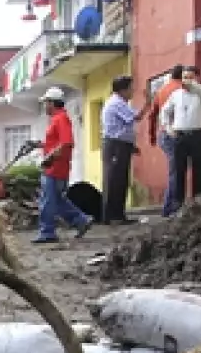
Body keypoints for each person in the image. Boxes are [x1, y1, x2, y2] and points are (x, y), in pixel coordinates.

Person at [34, 86, 92, 244]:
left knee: (48, 201)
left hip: (55, 168)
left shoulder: (60, 119)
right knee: (57, 201)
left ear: (52, 103)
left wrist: (49, 157)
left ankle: (47, 232)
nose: (44, 106)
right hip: (57, 167)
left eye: (46, 103)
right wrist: (40, 145)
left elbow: (67, 143)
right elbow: (57, 142)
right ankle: (81, 220)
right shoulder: (58, 119)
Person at [159, 66, 201, 214]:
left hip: (196, 136)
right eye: (184, 77)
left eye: (190, 77)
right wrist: (168, 128)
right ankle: (177, 208)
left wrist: (191, 84)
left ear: (197, 79)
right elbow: (165, 112)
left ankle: (199, 206)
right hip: (179, 136)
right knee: (177, 172)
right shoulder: (176, 95)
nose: (186, 81)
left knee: (199, 172)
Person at [99, 74, 142, 225]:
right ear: (122, 90)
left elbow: (124, 127)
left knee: (120, 179)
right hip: (115, 145)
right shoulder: (117, 103)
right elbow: (137, 117)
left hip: (119, 144)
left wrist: (131, 145)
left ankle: (117, 214)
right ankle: (111, 216)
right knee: (114, 180)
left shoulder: (121, 103)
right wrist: (149, 102)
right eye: (131, 88)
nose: (132, 91)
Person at [147, 64, 185, 217]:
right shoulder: (182, 90)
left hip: (164, 134)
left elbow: (152, 115)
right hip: (176, 133)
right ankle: (172, 208)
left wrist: (152, 136)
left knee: (175, 170)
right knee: (176, 172)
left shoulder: (161, 90)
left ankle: (170, 207)